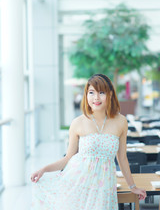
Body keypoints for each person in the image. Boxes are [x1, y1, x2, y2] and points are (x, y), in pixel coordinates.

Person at [31, 73, 146, 210]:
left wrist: (132, 187)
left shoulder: (121, 122)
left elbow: (122, 158)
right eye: (91, 92)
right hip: (78, 184)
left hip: (104, 186)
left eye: (101, 92)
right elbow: (68, 158)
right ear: (86, 95)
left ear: (110, 94)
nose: (96, 98)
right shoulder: (77, 123)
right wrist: (43, 170)